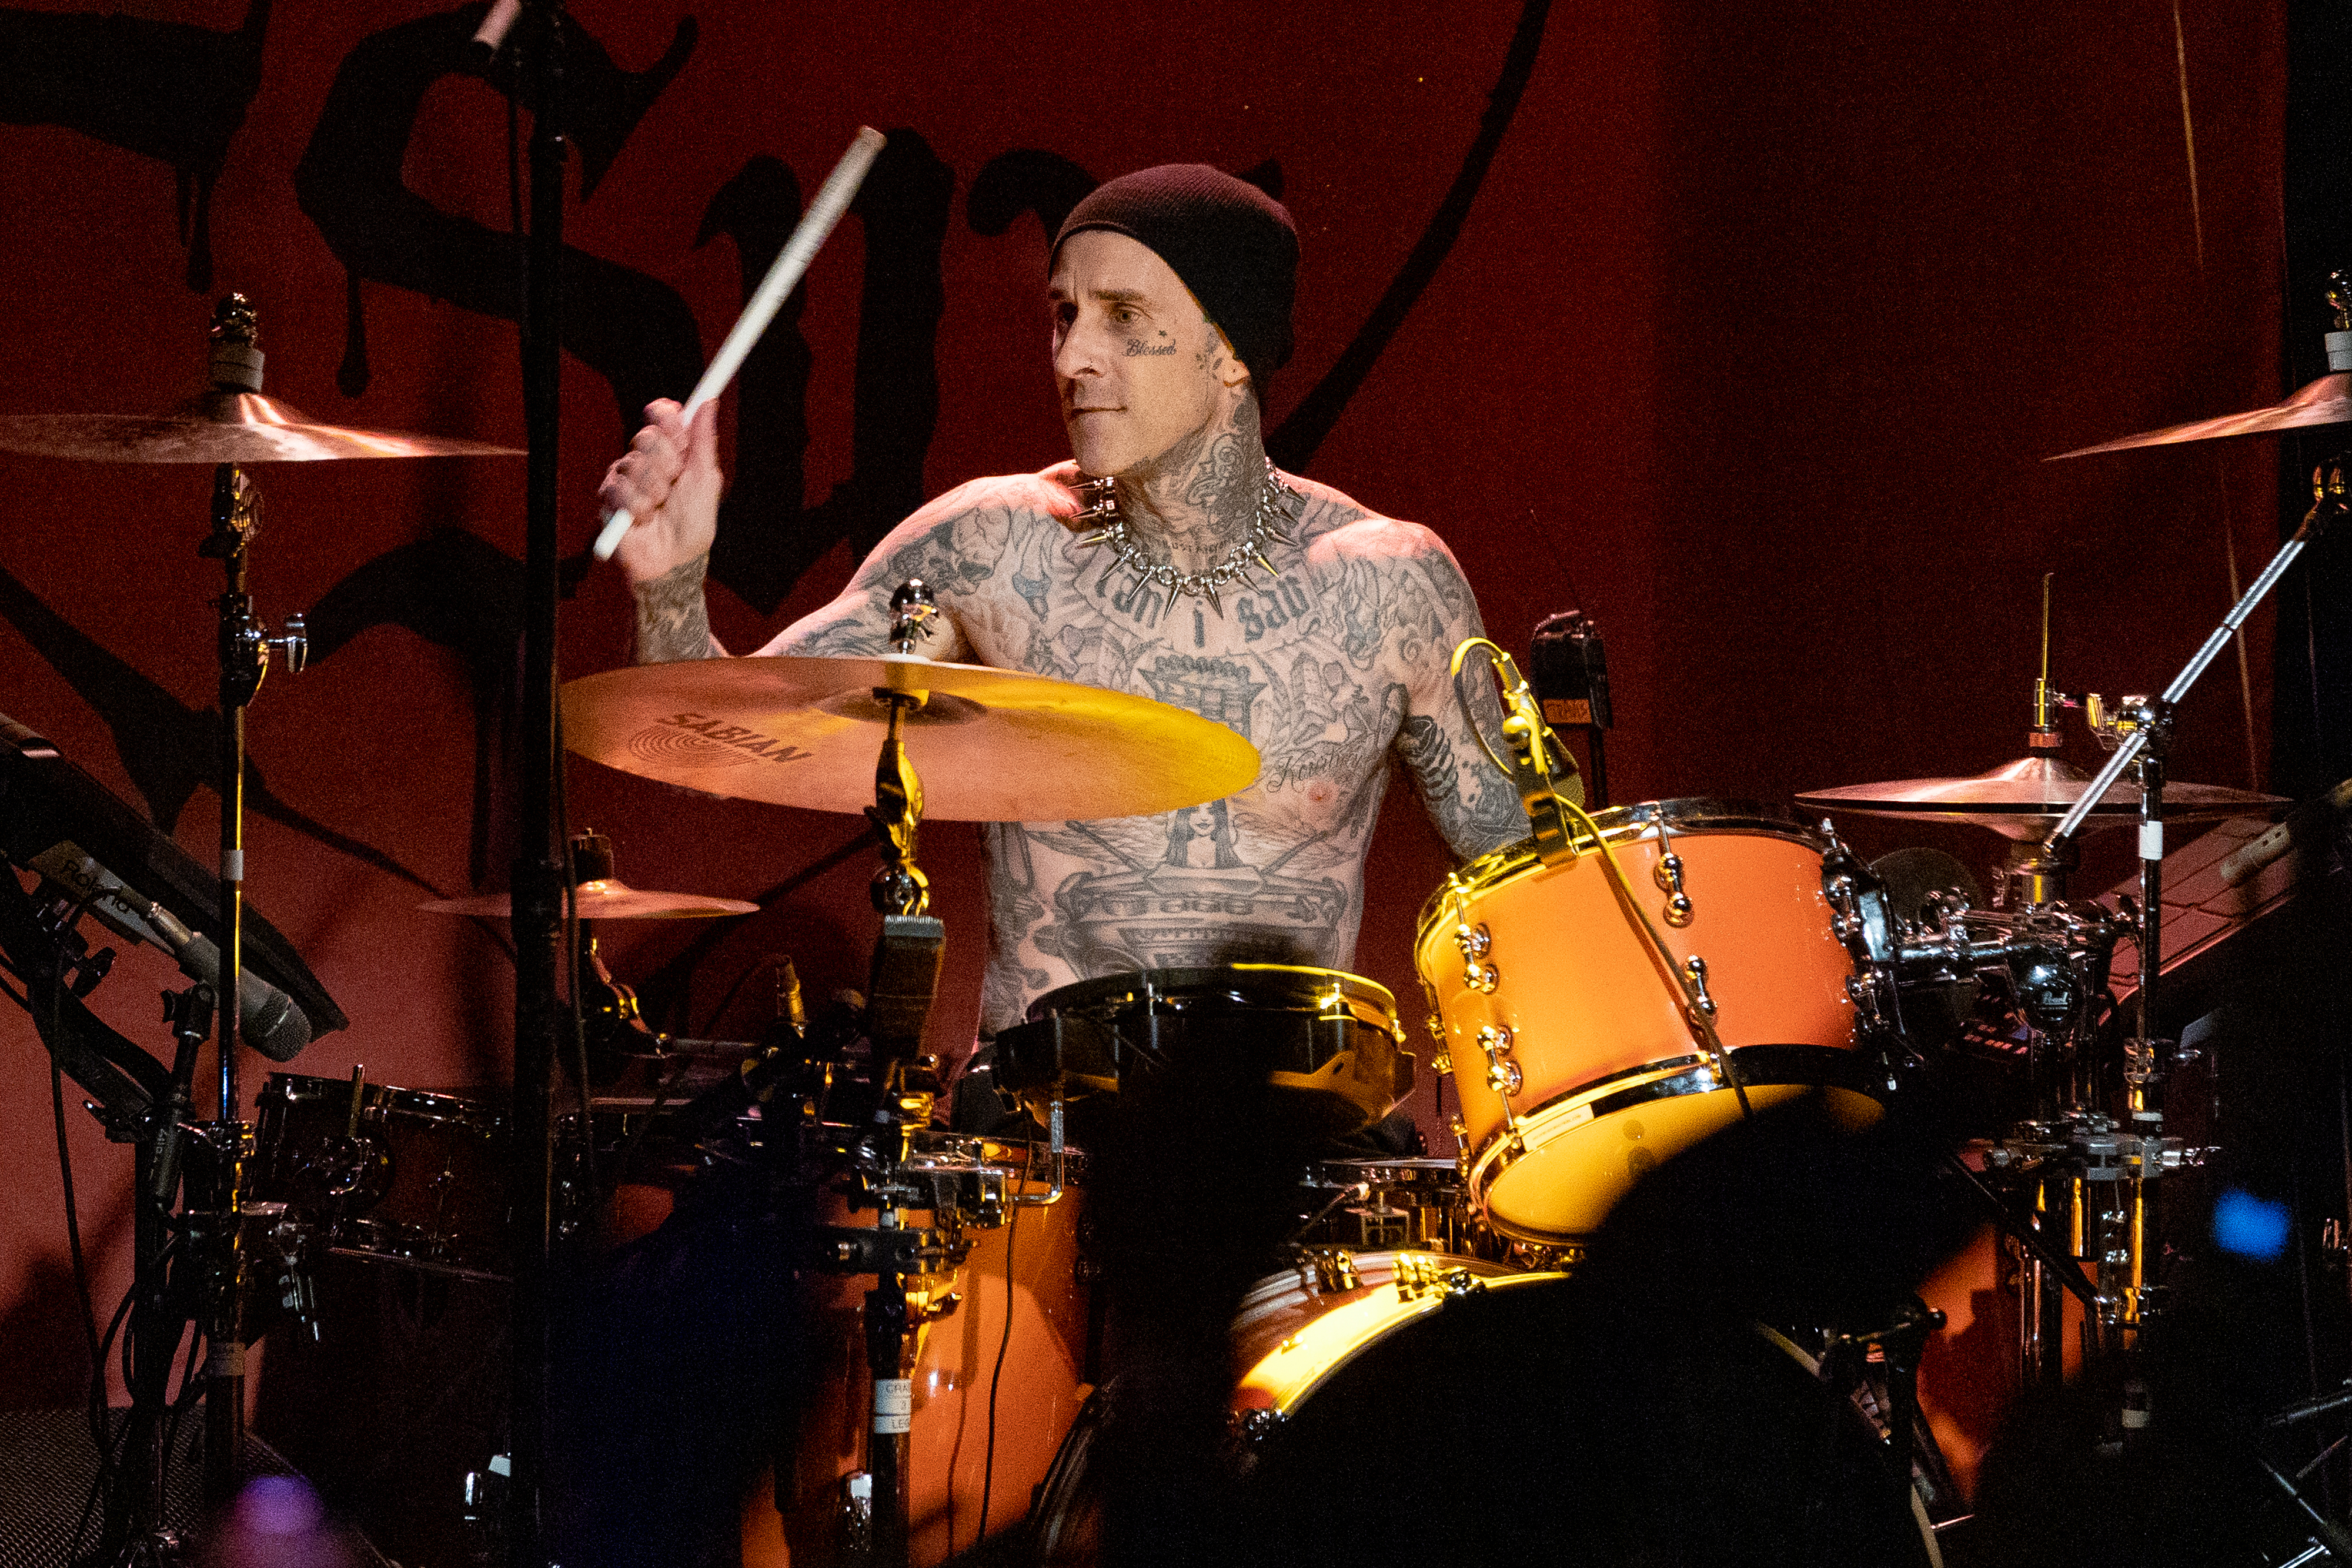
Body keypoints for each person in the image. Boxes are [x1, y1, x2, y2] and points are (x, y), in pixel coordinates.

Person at [599, 162, 1526, 1041]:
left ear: (1231, 353)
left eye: (1124, 317)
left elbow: (1524, 887)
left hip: (1294, 1135)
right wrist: (674, 582)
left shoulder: (1392, 582)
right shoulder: (992, 545)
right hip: (1045, 1135)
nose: (1074, 356)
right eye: (1064, 315)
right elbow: (717, 737)